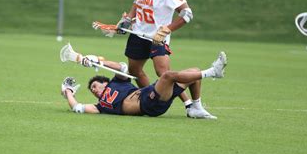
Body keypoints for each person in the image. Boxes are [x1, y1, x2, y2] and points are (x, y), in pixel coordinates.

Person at [95, 0, 196, 113]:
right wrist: (128, 19)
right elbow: (138, 1)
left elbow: (187, 14)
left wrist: (167, 29)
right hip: (138, 33)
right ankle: (148, 98)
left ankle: (190, 104)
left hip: (156, 37)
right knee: (134, 70)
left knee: (164, 74)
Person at [60, 51, 227, 118]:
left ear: (105, 83)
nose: (94, 91)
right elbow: (78, 108)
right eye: (91, 90)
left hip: (150, 92)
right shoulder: (101, 106)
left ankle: (194, 108)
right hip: (148, 104)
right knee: (168, 75)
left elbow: (122, 67)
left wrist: (96, 60)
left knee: (193, 73)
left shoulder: (117, 81)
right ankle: (212, 72)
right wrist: (68, 91)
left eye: (95, 86)